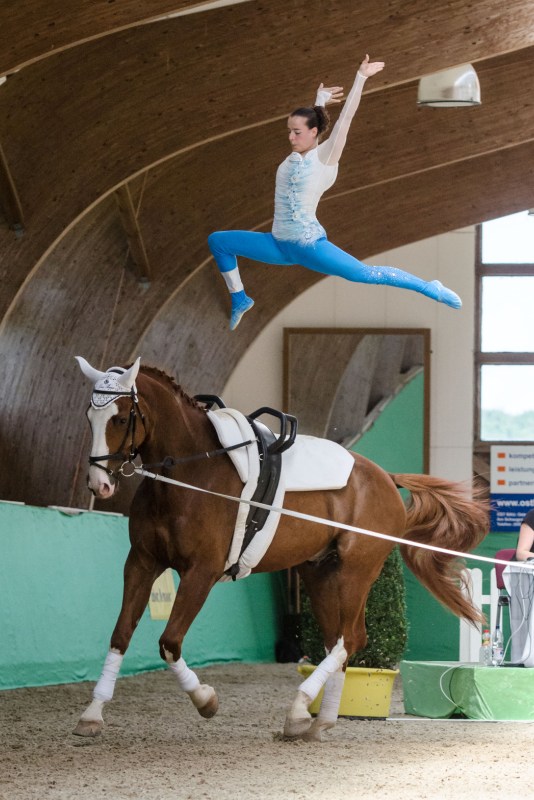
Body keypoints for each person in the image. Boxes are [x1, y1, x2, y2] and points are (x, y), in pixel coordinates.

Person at [208, 54, 463, 330]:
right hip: (278, 244)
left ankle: (428, 287)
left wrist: (360, 78)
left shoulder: (326, 157)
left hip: (308, 246)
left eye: (296, 132)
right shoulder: (296, 156)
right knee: (218, 241)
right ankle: (240, 299)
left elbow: (345, 119)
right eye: (289, 132)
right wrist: (319, 100)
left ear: (313, 132)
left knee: (364, 274)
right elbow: (315, 123)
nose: (290, 137)